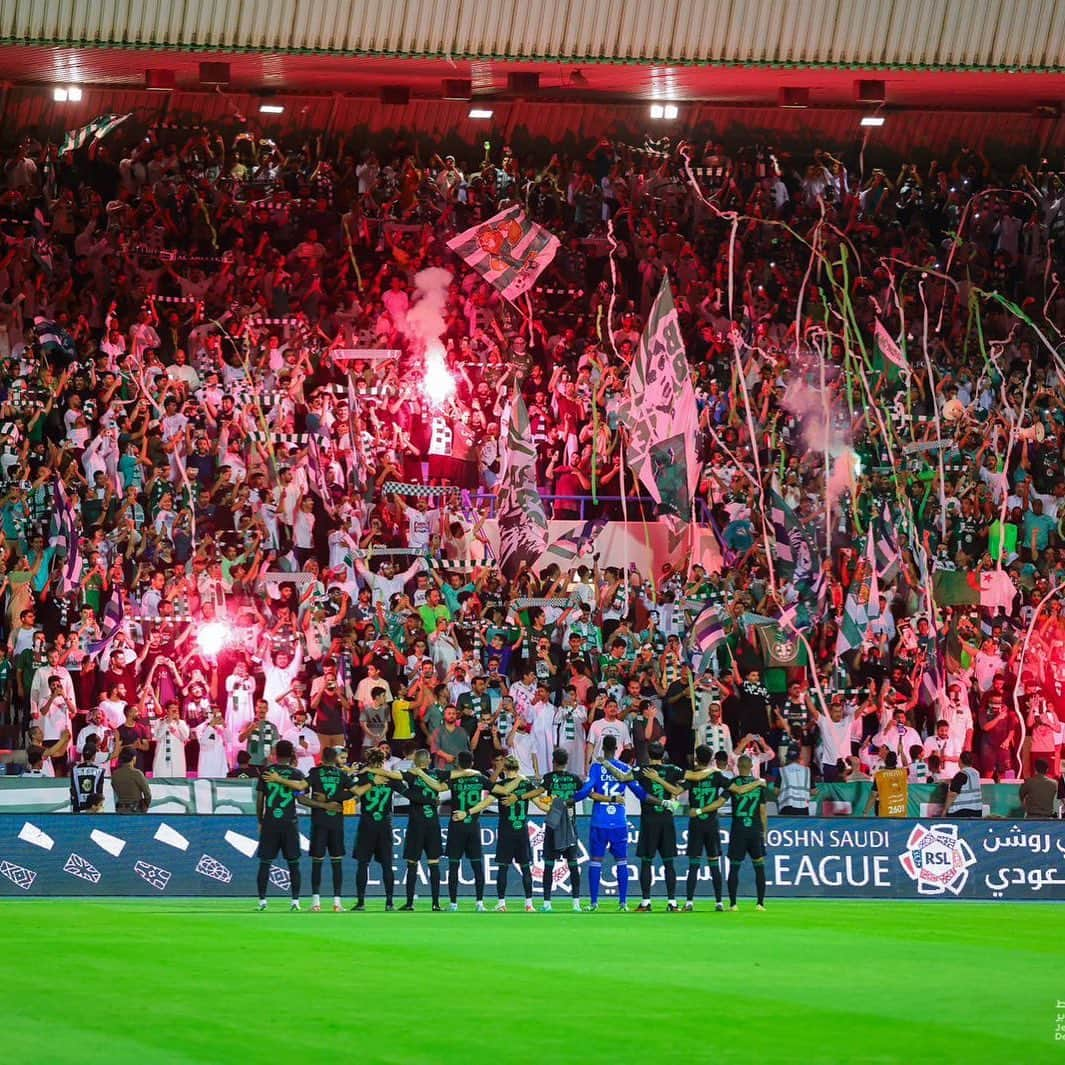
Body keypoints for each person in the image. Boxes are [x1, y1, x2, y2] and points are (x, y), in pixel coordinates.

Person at [605, 740, 684, 912]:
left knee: (647, 863)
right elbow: (677, 791)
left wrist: (606, 763)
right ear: (663, 754)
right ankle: (672, 903)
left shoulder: (642, 770)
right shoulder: (674, 770)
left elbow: (622, 777)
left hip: (649, 821)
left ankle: (646, 902)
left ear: (649, 754)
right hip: (666, 820)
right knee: (668, 863)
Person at [573, 734, 647, 911]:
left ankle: (593, 903)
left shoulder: (596, 768)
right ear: (616, 749)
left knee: (596, 862)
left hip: (600, 820)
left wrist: (572, 798)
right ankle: (623, 903)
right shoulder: (624, 768)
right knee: (622, 861)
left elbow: (586, 790)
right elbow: (639, 792)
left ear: (602, 748)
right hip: (619, 822)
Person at [255, 739, 308, 912]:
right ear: (292, 753)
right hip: (289, 822)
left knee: (265, 862)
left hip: (270, 822)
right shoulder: (296, 774)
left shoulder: (267, 772)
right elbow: (300, 797)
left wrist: (260, 821)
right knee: (293, 863)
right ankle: (295, 901)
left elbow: (260, 800)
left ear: (276, 753)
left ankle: (262, 901)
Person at [299, 747, 353, 912]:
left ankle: (316, 903)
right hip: (336, 823)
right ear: (336, 758)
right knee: (337, 863)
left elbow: (300, 797)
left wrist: (322, 804)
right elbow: (353, 792)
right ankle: (337, 903)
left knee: (317, 862)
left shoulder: (314, 774)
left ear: (322, 758)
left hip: (319, 822)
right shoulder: (342, 775)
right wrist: (333, 801)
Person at [350, 747, 404, 911]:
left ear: (368, 760)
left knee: (362, 863)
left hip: (367, 822)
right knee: (387, 865)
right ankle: (389, 902)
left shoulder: (364, 776)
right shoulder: (389, 777)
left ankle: (360, 902)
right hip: (384, 823)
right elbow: (405, 792)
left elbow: (354, 795)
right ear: (383, 761)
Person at [491, 756, 544, 912]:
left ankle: (501, 904)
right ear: (518, 768)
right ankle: (529, 904)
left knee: (503, 868)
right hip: (521, 831)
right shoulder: (525, 785)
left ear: (505, 769)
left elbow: (488, 790)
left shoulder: (501, 786)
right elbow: (540, 804)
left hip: (506, 831)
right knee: (526, 867)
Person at [682, 745, 730, 911]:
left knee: (693, 865)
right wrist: (721, 801)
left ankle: (689, 902)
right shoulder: (716, 775)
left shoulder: (693, 777)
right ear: (711, 760)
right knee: (714, 864)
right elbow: (731, 788)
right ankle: (719, 902)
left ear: (696, 758)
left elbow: (679, 789)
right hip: (711, 824)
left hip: (696, 823)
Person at [400, 748, 448, 911]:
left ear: (415, 761)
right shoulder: (438, 774)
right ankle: (435, 903)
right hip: (432, 824)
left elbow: (394, 778)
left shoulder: (411, 774)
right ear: (428, 761)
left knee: (412, 863)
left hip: (416, 824)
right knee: (434, 863)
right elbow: (457, 776)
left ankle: (409, 903)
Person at [537, 747, 584, 911]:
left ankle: (547, 903)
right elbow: (585, 792)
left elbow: (539, 792)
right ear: (566, 762)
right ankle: (576, 903)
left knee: (549, 865)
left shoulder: (549, 778)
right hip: (570, 825)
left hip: (553, 824)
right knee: (573, 865)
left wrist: (524, 795)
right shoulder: (574, 779)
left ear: (553, 761)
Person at [446, 749, 494, 911]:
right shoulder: (480, 778)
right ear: (472, 763)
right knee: (477, 866)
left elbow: (439, 787)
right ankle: (479, 903)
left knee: (453, 865)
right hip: (473, 826)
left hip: (456, 826)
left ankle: (453, 904)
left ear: (458, 763)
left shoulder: (454, 778)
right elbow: (495, 791)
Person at [725, 754, 768, 911]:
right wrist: (765, 831)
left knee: (734, 867)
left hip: (738, 829)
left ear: (737, 766)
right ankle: (760, 903)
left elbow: (721, 800)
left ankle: (733, 904)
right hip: (755, 829)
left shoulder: (733, 783)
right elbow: (763, 811)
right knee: (759, 866)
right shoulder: (758, 785)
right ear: (751, 767)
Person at [940, 750, 984, 818]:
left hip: (961, 811)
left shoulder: (961, 774)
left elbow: (952, 794)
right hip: (977, 810)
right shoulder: (976, 773)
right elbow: (967, 784)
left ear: (960, 761)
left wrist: (945, 810)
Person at [864, 751, 909, 817]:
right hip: (901, 812)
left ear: (885, 761)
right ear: (896, 762)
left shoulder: (879, 775)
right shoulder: (903, 772)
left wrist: (866, 811)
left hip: (884, 813)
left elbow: (873, 795)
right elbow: (906, 765)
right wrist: (902, 751)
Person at [111, 747, 152, 812]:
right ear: (133, 758)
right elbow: (148, 794)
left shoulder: (114, 774)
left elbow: (115, 789)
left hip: (120, 810)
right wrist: (145, 805)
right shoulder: (137, 773)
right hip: (135, 811)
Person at [777, 746, 814, 815]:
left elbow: (776, 791)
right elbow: (813, 791)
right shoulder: (807, 771)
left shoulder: (782, 770)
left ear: (787, 757)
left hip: (787, 807)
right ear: (799, 757)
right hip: (803, 808)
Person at [70, 740, 105, 813]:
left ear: (83, 755)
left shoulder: (74, 770)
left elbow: (73, 788)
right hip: (94, 808)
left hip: (78, 807)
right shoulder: (99, 770)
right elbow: (99, 791)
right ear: (94, 756)